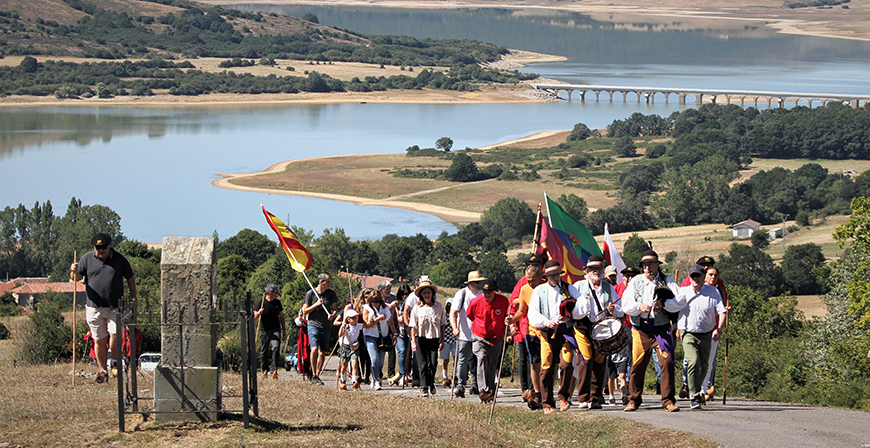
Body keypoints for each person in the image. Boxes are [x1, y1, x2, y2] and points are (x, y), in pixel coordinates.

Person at [70, 232, 136, 384]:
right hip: (94, 307)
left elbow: (130, 278)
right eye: (98, 248)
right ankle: (102, 371)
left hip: (115, 307)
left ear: (109, 246)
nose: (101, 251)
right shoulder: (86, 259)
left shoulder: (119, 259)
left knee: (115, 335)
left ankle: (114, 361)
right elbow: (77, 278)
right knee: (99, 340)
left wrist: (133, 298)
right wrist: (73, 270)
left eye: (103, 248)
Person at [620, 249, 682, 412]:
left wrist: (665, 304)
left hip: (661, 329)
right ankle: (633, 399)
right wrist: (639, 307)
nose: (647, 267)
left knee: (666, 361)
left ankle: (668, 400)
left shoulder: (667, 281)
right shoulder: (636, 282)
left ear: (657, 265)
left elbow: (681, 300)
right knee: (637, 364)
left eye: (650, 264)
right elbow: (625, 304)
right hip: (641, 329)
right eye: (644, 265)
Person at [571, 255, 624, 410]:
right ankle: (582, 398)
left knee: (600, 364)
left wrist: (615, 310)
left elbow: (621, 310)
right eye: (592, 269)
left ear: (602, 271)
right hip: (583, 327)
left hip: (601, 329)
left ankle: (594, 398)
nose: (596, 272)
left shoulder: (609, 288)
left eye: (598, 269)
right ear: (587, 272)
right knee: (586, 360)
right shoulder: (578, 286)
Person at [529, 260, 581, 413]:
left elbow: (583, 305)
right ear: (547, 276)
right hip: (547, 334)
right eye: (552, 275)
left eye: (557, 274)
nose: (556, 277)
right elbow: (532, 313)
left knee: (566, 365)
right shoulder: (539, 291)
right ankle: (547, 402)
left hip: (566, 333)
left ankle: (564, 397)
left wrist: (570, 315)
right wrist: (546, 321)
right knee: (546, 368)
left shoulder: (569, 288)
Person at [675, 264, 727, 410]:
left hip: (706, 333)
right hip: (688, 333)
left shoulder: (713, 291)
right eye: (693, 276)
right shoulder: (683, 292)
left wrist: (719, 328)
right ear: (689, 278)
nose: (696, 278)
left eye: (698, 275)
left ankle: (697, 391)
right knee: (693, 361)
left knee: (704, 366)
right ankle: (695, 395)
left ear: (704, 277)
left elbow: (722, 311)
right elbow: (672, 306)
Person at [506, 264, 546, 409]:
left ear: (541, 277)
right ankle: (537, 394)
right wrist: (512, 320)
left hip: (547, 331)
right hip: (531, 331)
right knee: (534, 363)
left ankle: (546, 392)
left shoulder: (547, 287)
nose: (530, 283)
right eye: (528, 280)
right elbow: (521, 311)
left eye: (532, 280)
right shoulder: (524, 289)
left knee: (546, 364)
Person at [467, 278, 509, 403]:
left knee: (491, 363)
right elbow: (470, 315)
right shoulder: (476, 302)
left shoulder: (503, 301)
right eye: (485, 291)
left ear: (495, 291)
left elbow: (508, 316)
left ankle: (490, 390)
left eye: (490, 291)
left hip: (497, 337)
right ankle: (482, 389)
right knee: (481, 359)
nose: (487, 294)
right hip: (480, 336)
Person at [408, 279, 446, 397]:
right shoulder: (417, 308)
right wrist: (413, 342)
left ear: (432, 294)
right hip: (421, 338)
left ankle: (431, 383)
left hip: (434, 338)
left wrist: (442, 340)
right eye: (424, 293)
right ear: (421, 295)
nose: (427, 295)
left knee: (433, 363)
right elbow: (413, 326)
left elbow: (443, 324)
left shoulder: (438, 307)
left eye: (429, 292)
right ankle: (424, 386)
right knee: (422, 363)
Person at [449, 271, 484, 397]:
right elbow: (453, 312)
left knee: (479, 359)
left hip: (480, 334)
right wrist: (454, 328)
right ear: (470, 283)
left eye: (479, 281)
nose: (478, 284)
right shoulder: (462, 294)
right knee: (463, 360)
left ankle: (476, 384)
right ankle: (461, 384)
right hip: (465, 333)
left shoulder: (483, 294)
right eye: (476, 282)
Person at [301, 273, 339, 385]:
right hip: (313, 324)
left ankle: (317, 374)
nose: (330, 283)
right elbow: (304, 311)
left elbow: (335, 309)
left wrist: (332, 315)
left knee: (322, 352)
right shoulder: (311, 294)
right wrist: (316, 305)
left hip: (326, 326)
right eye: (328, 282)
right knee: (314, 349)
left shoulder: (331, 293)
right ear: (321, 282)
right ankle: (313, 373)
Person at [362, 288, 397, 390]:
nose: (375, 304)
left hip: (383, 337)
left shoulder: (385, 307)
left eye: (377, 301)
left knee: (381, 361)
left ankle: (376, 375)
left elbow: (390, 321)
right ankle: (375, 379)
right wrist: (378, 318)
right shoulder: (366, 308)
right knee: (374, 358)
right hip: (370, 336)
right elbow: (367, 324)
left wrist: (394, 333)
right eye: (373, 302)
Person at [254, 284, 286, 379]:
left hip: (276, 329)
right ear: (270, 292)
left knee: (275, 348)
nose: (277, 293)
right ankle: (264, 370)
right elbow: (254, 317)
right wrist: (259, 312)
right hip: (264, 330)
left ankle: (274, 369)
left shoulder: (277, 303)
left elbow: (281, 316)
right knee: (264, 350)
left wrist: (284, 330)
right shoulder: (261, 302)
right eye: (276, 291)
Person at [378, 280, 400, 383]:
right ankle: (378, 374)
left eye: (390, 288)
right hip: (379, 327)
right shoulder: (376, 297)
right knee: (379, 351)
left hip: (390, 325)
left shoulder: (392, 296)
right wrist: (390, 305)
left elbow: (394, 311)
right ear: (381, 290)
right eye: (387, 289)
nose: (389, 291)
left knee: (391, 349)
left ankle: (391, 373)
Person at [391, 284, 413, 386]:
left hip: (409, 332)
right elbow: (394, 318)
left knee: (410, 355)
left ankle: (408, 374)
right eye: (402, 294)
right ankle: (402, 374)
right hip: (399, 333)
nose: (405, 296)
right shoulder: (397, 304)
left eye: (407, 294)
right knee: (402, 351)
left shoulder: (413, 304)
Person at [336, 309, 363, 390]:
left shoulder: (358, 326)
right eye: (353, 318)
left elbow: (367, 325)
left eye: (356, 317)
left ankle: (354, 381)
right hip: (346, 346)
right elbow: (340, 334)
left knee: (354, 363)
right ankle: (343, 379)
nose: (355, 319)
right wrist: (342, 326)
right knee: (344, 365)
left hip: (354, 347)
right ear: (348, 319)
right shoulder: (346, 327)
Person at [439, 301, 456, 387]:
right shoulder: (444, 316)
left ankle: (454, 375)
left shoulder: (456, 316)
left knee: (456, 359)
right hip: (445, 340)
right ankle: (445, 377)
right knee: (446, 360)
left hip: (454, 340)